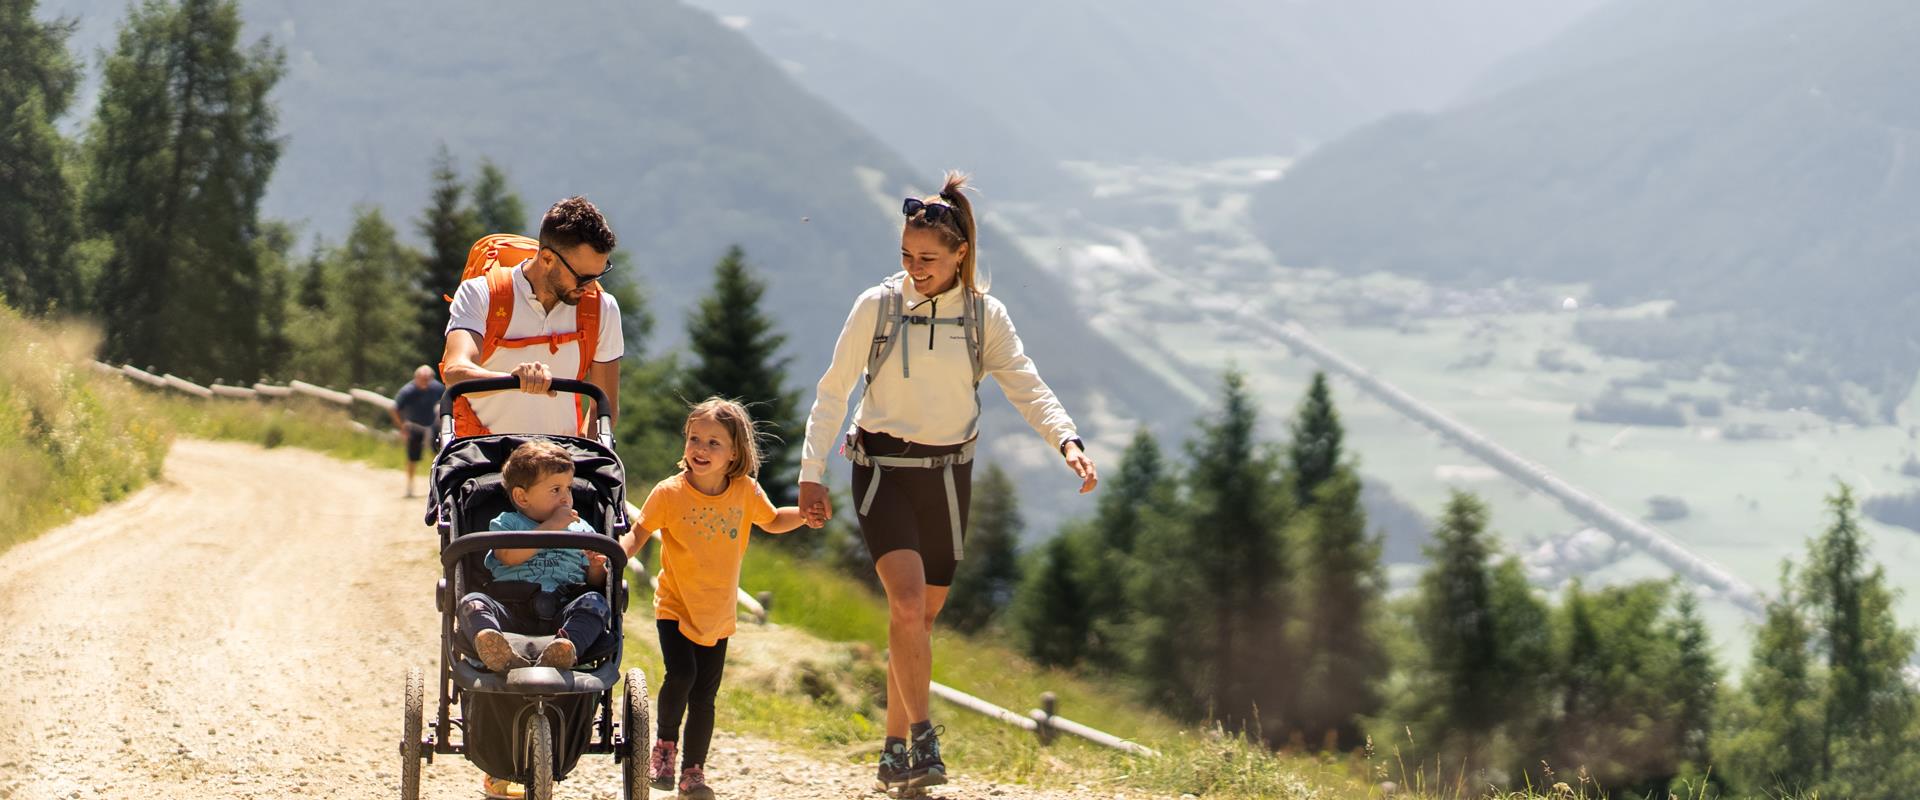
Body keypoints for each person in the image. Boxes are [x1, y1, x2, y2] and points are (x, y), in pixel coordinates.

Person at [796, 171, 1099, 794]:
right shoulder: (876, 307)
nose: (915, 268)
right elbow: (833, 391)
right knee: (906, 606)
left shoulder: (984, 317)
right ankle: (924, 737)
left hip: (949, 480)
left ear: (962, 255)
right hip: (881, 472)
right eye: (907, 256)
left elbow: (1025, 382)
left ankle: (891, 748)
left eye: (929, 258)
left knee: (918, 624)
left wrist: (1066, 438)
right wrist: (811, 473)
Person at [618, 398, 816, 800]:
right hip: (674, 605)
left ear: (735, 453)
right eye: (694, 439)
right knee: (683, 676)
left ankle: (693, 772)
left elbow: (774, 519)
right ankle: (665, 748)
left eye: (713, 443)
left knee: (705, 697)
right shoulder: (669, 493)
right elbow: (637, 534)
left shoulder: (744, 491)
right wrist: (614, 557)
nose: (700, 449)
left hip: (718, 613)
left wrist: (806, 514)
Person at [439, 196, 624, 435]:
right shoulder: (481, 293)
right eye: (583, 278)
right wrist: (512, 379)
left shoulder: (603, 309)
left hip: (560, 462)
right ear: (547, 259)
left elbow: (605, 409)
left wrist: (582, 460)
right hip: (484, 456)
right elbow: (455, 373)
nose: (591, 288)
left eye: (599, 275)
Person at [456, 440, 612, 674]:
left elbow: (596, 584)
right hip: (510, 608)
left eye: (569, 488)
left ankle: (565, 648)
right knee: (472, 603)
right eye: (555, 490)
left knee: (595, 603)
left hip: (564, 610)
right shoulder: (507, 523)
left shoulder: (582, 529)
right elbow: (508, 556)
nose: (566, 498)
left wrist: (596, 566)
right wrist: (551, 527)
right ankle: (495, 646)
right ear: (522, 497)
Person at [389, 365, 443, 497]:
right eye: (423, 379)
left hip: (432, 425)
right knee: (412, 458)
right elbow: (394, 408)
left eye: (428, 379)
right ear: (416, 378)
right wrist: (402, 427)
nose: (425, 382)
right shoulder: (408, 391)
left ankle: (438, 485)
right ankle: (410, 486)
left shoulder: (437, 388)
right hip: (414, 426)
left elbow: (448, 399)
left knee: (438, 457)